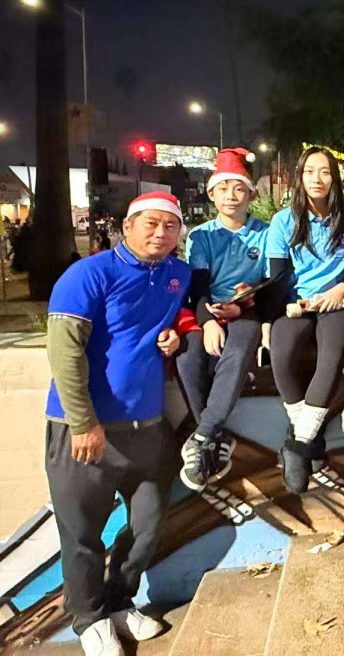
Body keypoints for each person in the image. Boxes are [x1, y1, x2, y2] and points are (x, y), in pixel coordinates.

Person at [44, 192, 189, 656]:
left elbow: (178, 319)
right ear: (127, 227)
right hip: (84, 429)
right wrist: (83, 422)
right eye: (150, 223)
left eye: (170, 225)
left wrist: (176, 336)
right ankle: (89, 619)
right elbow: (64, 352)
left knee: (147, 523)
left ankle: (120, 601)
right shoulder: (87, 274)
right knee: (81, 533)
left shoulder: (177, 274)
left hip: (147, 427)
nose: (161, 233)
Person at [265, 147, 344, 493]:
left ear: (335, 178)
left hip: (338, 304)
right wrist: (285, 309)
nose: (317, 179)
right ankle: (307, 437)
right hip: (297, 304)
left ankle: (297, 445)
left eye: (324, 172)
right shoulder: (284, 221)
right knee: (281, 356)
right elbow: (278, 276)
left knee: (331, 358)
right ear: (300, 177)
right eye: (310, 171)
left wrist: (341, 288)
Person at [176, 148, 268, 491]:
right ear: (211, 194)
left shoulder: (265, 233)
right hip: (208, 309)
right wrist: (208, 322)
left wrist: (244, 304)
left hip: (247, 310)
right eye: (224, 188)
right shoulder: (201, 236)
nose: (232, 195)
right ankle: (215, 436)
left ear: (251, 195)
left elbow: (272, 281)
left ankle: (201, 436)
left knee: (240, 347)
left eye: (239, 188)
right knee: (188, 356)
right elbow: (198, 286)